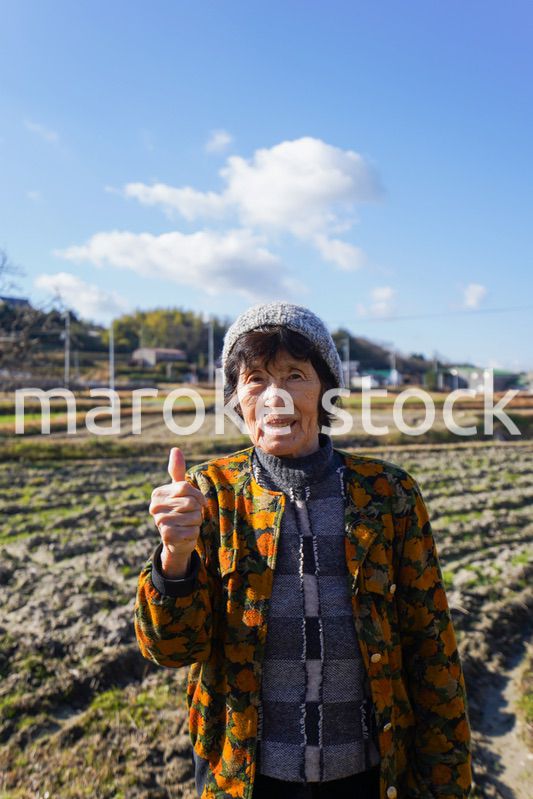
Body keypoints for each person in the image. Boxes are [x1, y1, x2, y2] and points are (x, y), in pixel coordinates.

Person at [134, 301, 472, 799]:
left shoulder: (387, 495)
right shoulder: (212, 496)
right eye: (255, 380)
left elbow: (432, 648)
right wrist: (175, 557)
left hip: (365, 774)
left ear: (327, 391)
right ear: (236, 399)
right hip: (248, 777)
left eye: (296, 375)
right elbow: (169, 649)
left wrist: (447, 783)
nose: (276, 398)